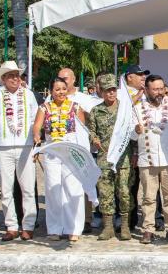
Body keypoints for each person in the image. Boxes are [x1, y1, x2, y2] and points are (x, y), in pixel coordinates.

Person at [133, 74, 168, 244]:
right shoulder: (137, 109)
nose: (159, 92)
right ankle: (148, 229)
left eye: (161, 88)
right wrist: (135, 131)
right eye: (155, 89)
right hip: (147, 159)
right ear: (146, 90)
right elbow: (130, 136)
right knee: (148, 197)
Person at [32, 77, 87, 241]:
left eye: (63, 88)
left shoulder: (75, 107)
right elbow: (37, 126)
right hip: (52, 152)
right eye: (57, 89)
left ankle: (73, 228)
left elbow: (82, 131)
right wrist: (36, 136)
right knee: (53, 189)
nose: (61, 92)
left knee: (73, 189)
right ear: (51, 91)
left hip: (70, 151)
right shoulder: (44, 107)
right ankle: (55, 229)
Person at [0, 61, 38, 241]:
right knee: (6, 189)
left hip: (25, 146)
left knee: (28, 188)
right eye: (10, 76)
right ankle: (11, 226)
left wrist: (35, 142)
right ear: (3, 79)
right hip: (2, 147)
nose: (15, 79)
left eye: (17, 75)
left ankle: (28, 225)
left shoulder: (28, 94)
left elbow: (35, 118)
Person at [87, 73, 135, 242]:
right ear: (101, 92)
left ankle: (125, 226)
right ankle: (108, 227)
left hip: (123, 158)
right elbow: (91, 131)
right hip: (104, 157)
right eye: (107, 90)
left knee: (124, 191)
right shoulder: (96, 111)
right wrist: (94, 139)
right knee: (105, 192)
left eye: (113, 89)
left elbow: (132, 132)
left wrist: (135, 153)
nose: (111, 93)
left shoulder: (125, 109)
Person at [58, 67, 101, 235]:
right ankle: (64, 219)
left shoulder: (84, 99)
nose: (62, 81)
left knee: (83, 183)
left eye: (66, 78)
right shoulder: (52, 97)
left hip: (80, 148)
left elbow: (98, 115)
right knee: (62, 185)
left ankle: (86, 219)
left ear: (74, 79)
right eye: (60, 78)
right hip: (60, 149)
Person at [123, 65, 149, 230]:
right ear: (129, 77)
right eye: (139, 75)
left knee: (149, 185)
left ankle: (152, 219)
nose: (143, 77)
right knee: (130, 185)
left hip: (146, 144)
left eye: (144, 75)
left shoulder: (146, 93)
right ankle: (128, 221)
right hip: (129, 144)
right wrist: (139, 95)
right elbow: (123, 110)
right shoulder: (122, 93)